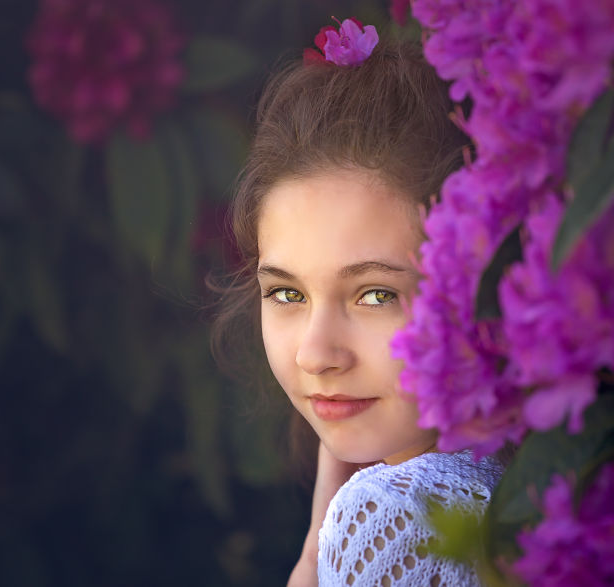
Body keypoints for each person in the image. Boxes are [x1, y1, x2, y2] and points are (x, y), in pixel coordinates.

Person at [211, 18, 503, 586]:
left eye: (375, 295)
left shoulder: (396, 514)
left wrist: (320, 554)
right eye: (287, 293)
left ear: (478, 284)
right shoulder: (546, 482)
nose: (316, 354)